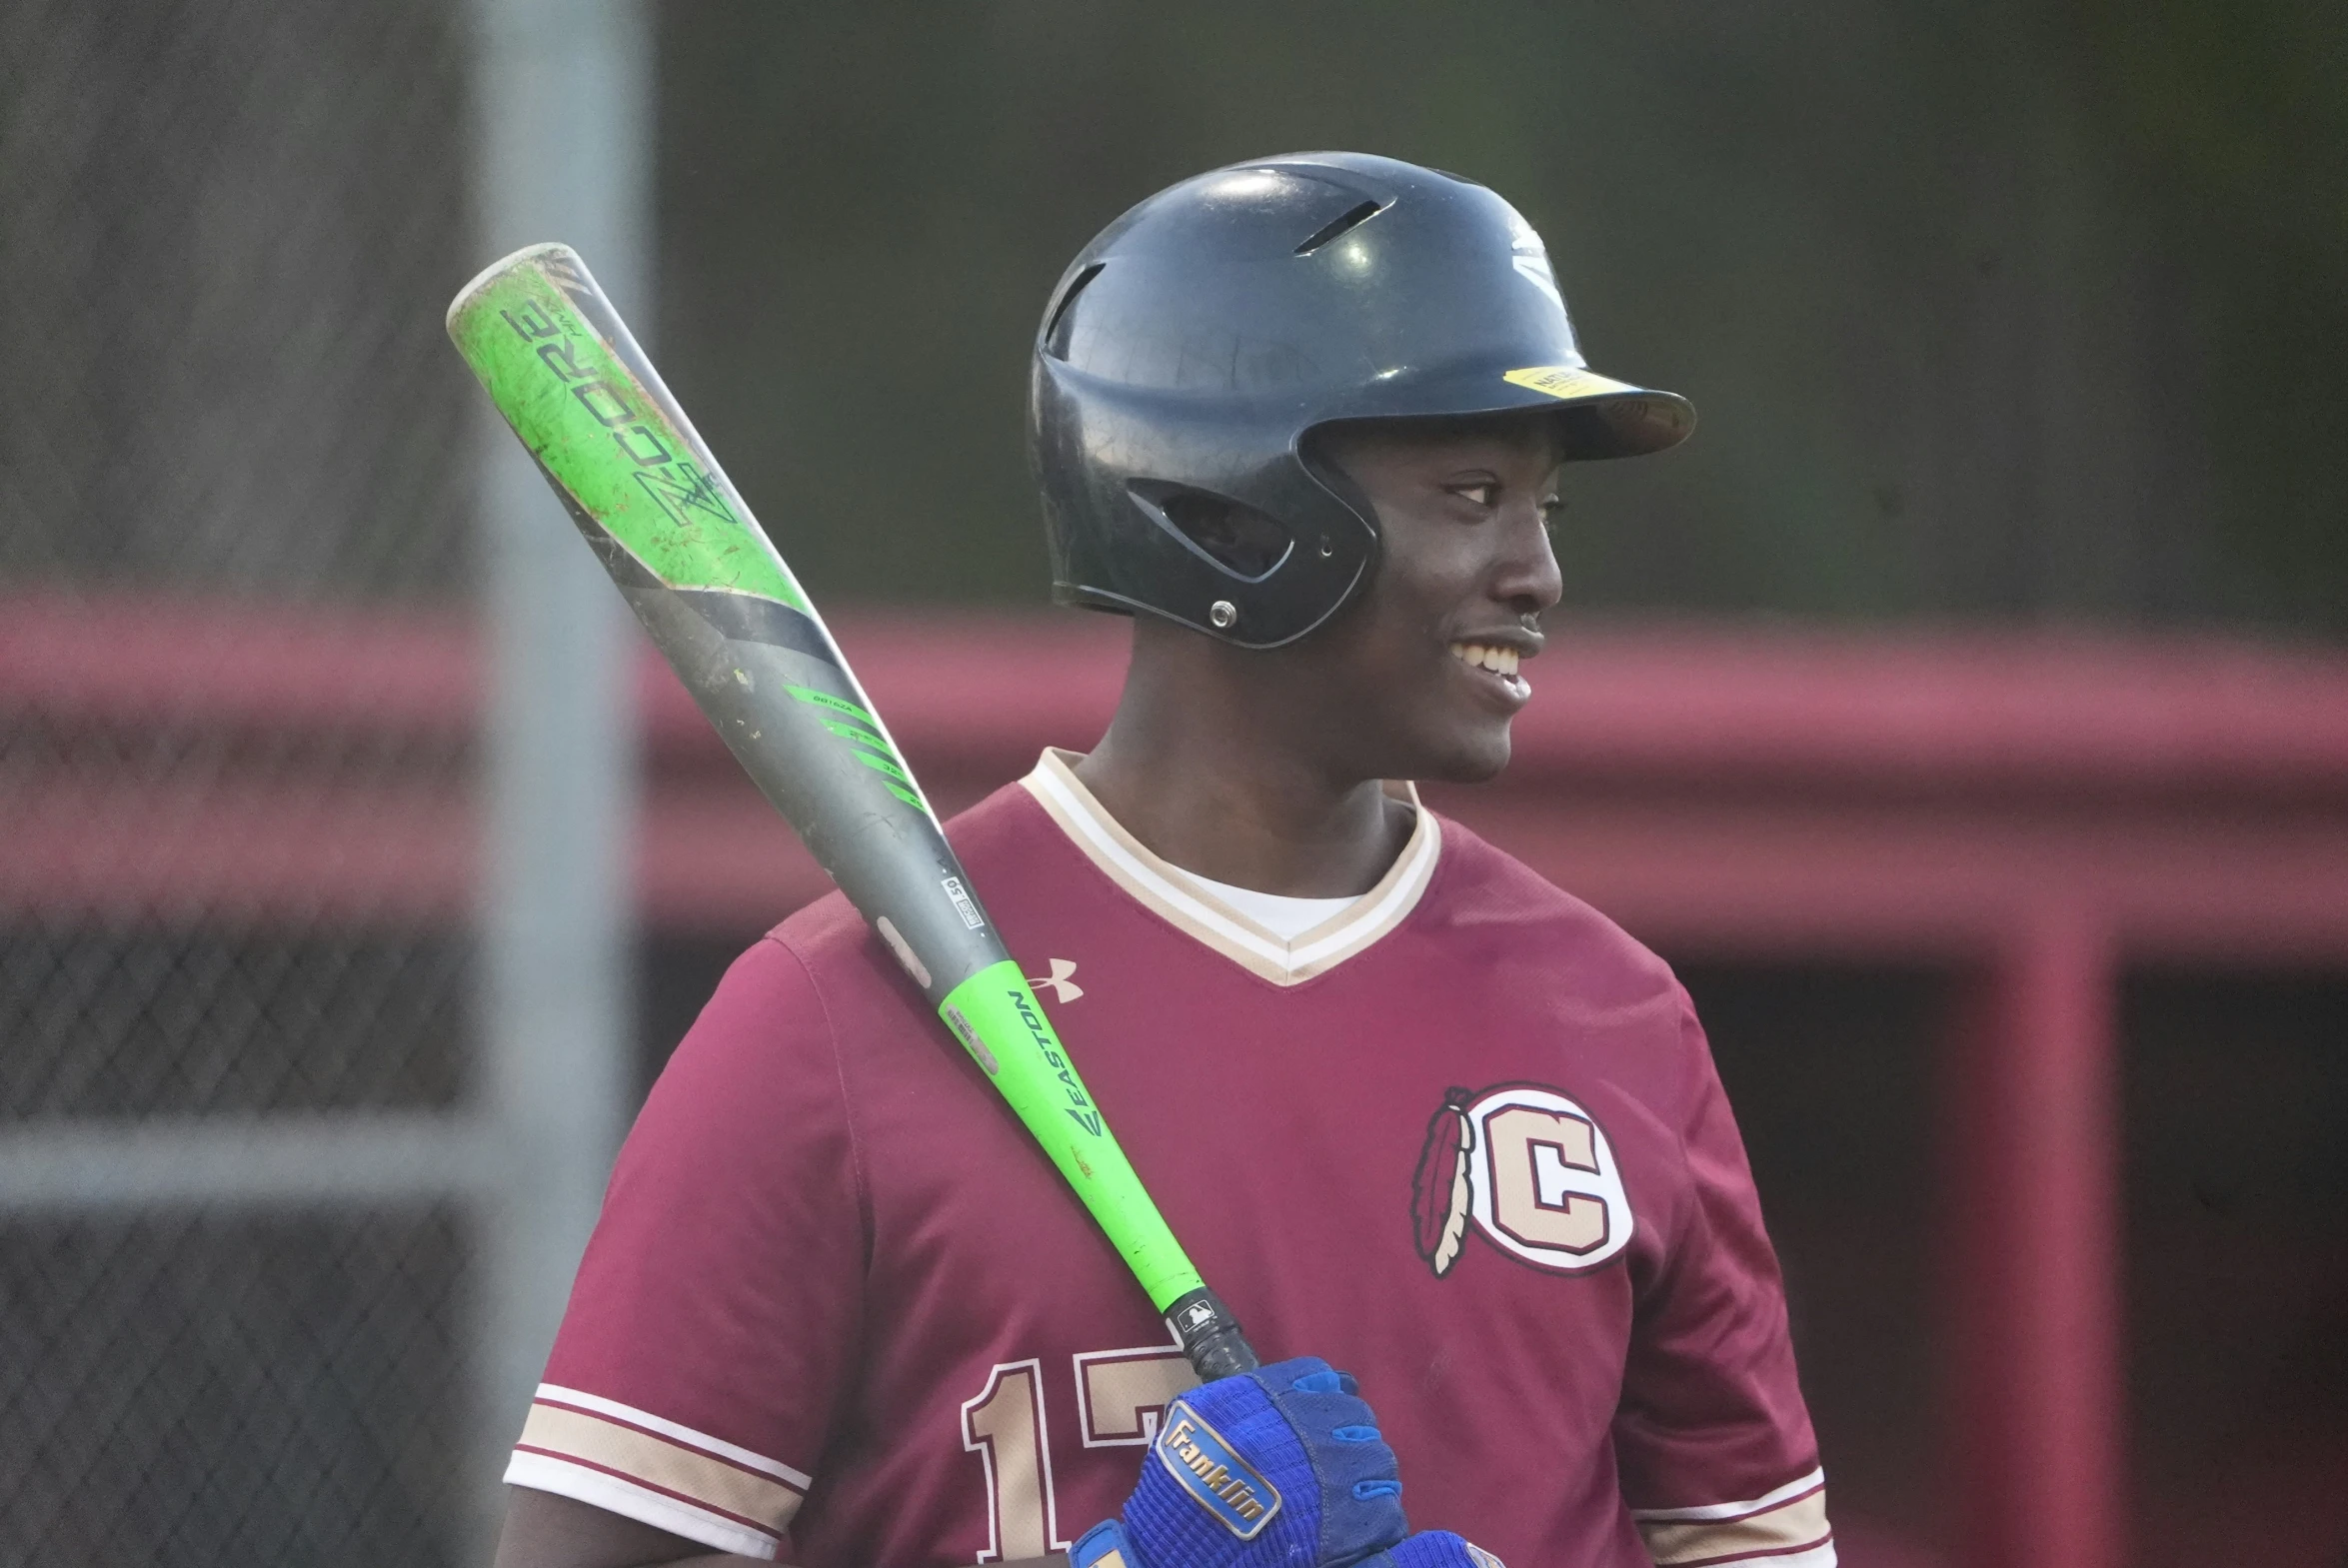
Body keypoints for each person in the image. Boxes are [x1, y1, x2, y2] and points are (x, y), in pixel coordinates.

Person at [493, 152, 1832, 1568]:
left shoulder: (1616, 1019)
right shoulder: (831, 1020)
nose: (1537, 572)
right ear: (1231, 512)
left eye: (1542, 507)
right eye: (1469, 491)